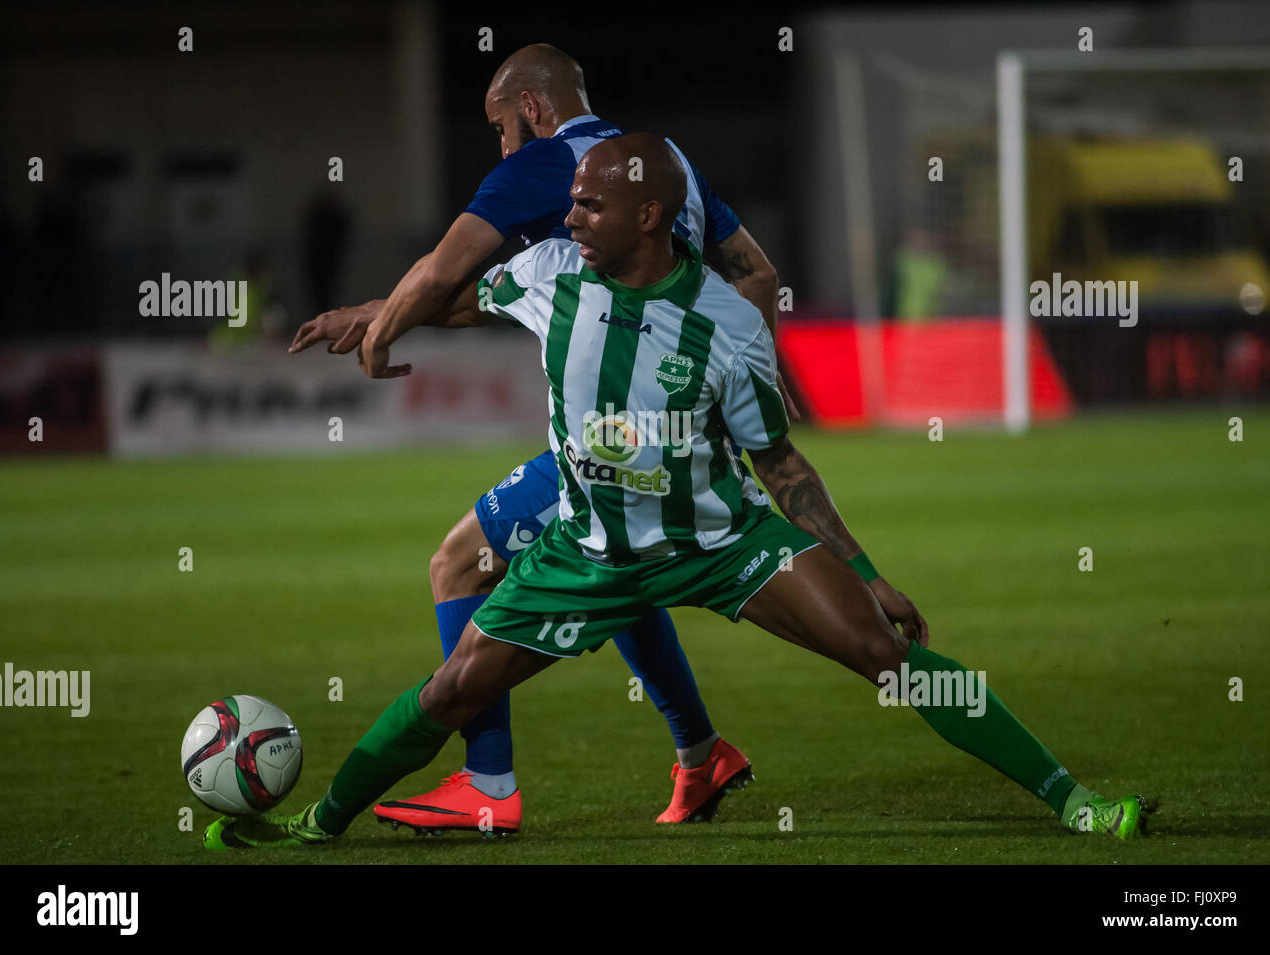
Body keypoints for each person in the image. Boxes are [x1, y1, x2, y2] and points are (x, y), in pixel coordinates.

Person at [208, 134, 1154, 851]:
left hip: (722, 542)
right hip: (586, 555)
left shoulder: (730, 325)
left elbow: (780, 466)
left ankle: (1076, 802)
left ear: (649, 217)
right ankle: (317, 826)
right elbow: (451, 295)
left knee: (884, 650)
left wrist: (866, 570)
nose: (567, 217)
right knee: (452, 688)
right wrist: (372, 318)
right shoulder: (547, 274)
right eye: (569, 203)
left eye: (585, 206)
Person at [288, 44, 791, 832]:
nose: (500, 147)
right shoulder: (662, 166)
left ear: (528, 108)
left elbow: (441, 273)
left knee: (459, 562)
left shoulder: (552, 165)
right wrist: (744, 384)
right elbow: (755, 272)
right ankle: (701, 754)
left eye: (499, 127)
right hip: (668, 438)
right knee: (616, 573)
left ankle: (489, 780)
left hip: (611, 448)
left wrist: (380, 330)